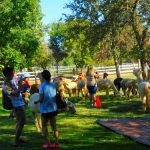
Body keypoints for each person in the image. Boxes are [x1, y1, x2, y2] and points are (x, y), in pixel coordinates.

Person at [2, 67, 26, 147]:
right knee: (22, 122)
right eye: (13, 72)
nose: (14, 73)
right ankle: (16, 142)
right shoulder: (6, 85)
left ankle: (17, 139)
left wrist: (19, 85)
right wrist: (19, 87)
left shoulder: (10, 81)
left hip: (19, 103)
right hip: (17, 105)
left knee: (19, 122)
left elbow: (16, 91)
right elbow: (15, 94)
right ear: (8, 74)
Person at [34, 70, 59, 149]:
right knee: (54, 126)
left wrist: (36, 101)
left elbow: (41, 99)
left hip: (45, 109)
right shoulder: (53, 85)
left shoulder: (42, 86)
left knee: (44, 126)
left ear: (43, 77)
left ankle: (48, 144)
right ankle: (56, 143)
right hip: (53, 108)